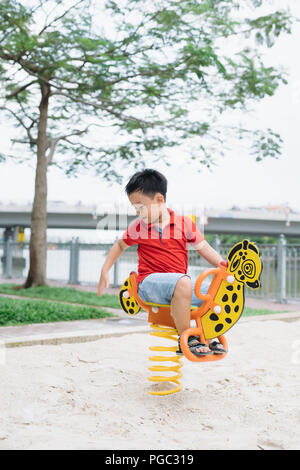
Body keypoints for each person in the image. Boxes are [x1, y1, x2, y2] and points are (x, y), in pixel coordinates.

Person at [97, 168, 227, 356]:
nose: (138, 212)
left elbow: (204, 247)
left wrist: (222, 265)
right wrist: (105, 269)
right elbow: (120, 245)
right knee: (183, 282)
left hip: (178, 286)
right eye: (135, 208)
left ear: (159, 199)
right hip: (149, 283)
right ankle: (187, 338)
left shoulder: (184, 224)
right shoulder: (138, 226)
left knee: (216, 288)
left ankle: (209, 334)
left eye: (140, 206)